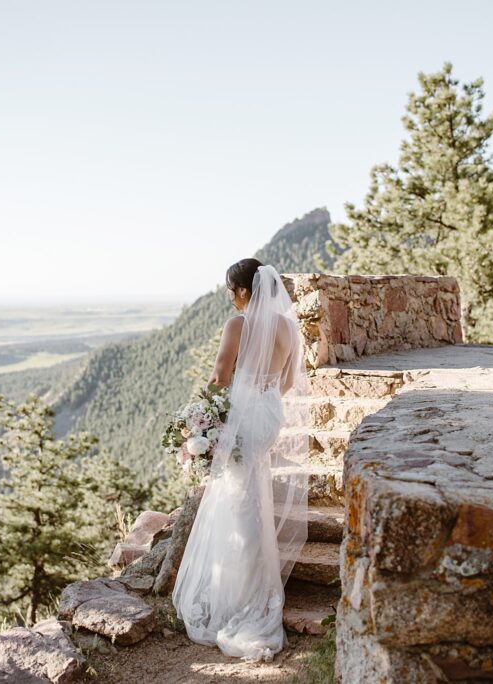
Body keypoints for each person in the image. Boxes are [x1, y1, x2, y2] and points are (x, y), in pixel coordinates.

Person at [172, 258, 311, 662]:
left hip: (246, 415)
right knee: (251, 492)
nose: (229, 296)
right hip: (269, 414)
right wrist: (260, 400)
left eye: (230, 290)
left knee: (238, 499)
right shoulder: (287, 326)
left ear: (244, 291)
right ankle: (255, 584)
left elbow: (219, 376)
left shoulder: (239, 325)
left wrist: (201, 423)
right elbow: (285, 381)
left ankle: (240, 595)